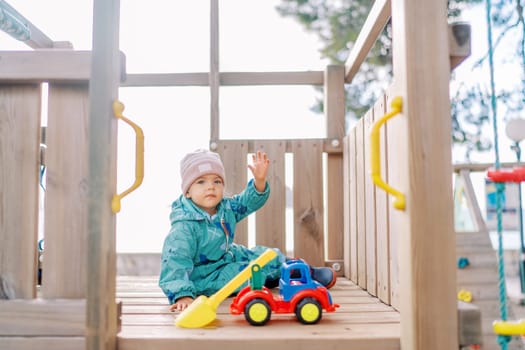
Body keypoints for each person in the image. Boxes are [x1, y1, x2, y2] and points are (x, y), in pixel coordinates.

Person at [159, 149, 336, 311]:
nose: (210, 186)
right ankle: (270, 276)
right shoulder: (183, 227)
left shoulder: (225, 207)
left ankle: (298, 269)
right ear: (187, 192)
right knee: (242, 272)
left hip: (228, 255)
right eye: (201, 182)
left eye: (217, 181)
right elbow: (175, 262)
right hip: (205, 274)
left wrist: (259, 181)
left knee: (264, 254)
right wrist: (182, 294)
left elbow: (247, 202)